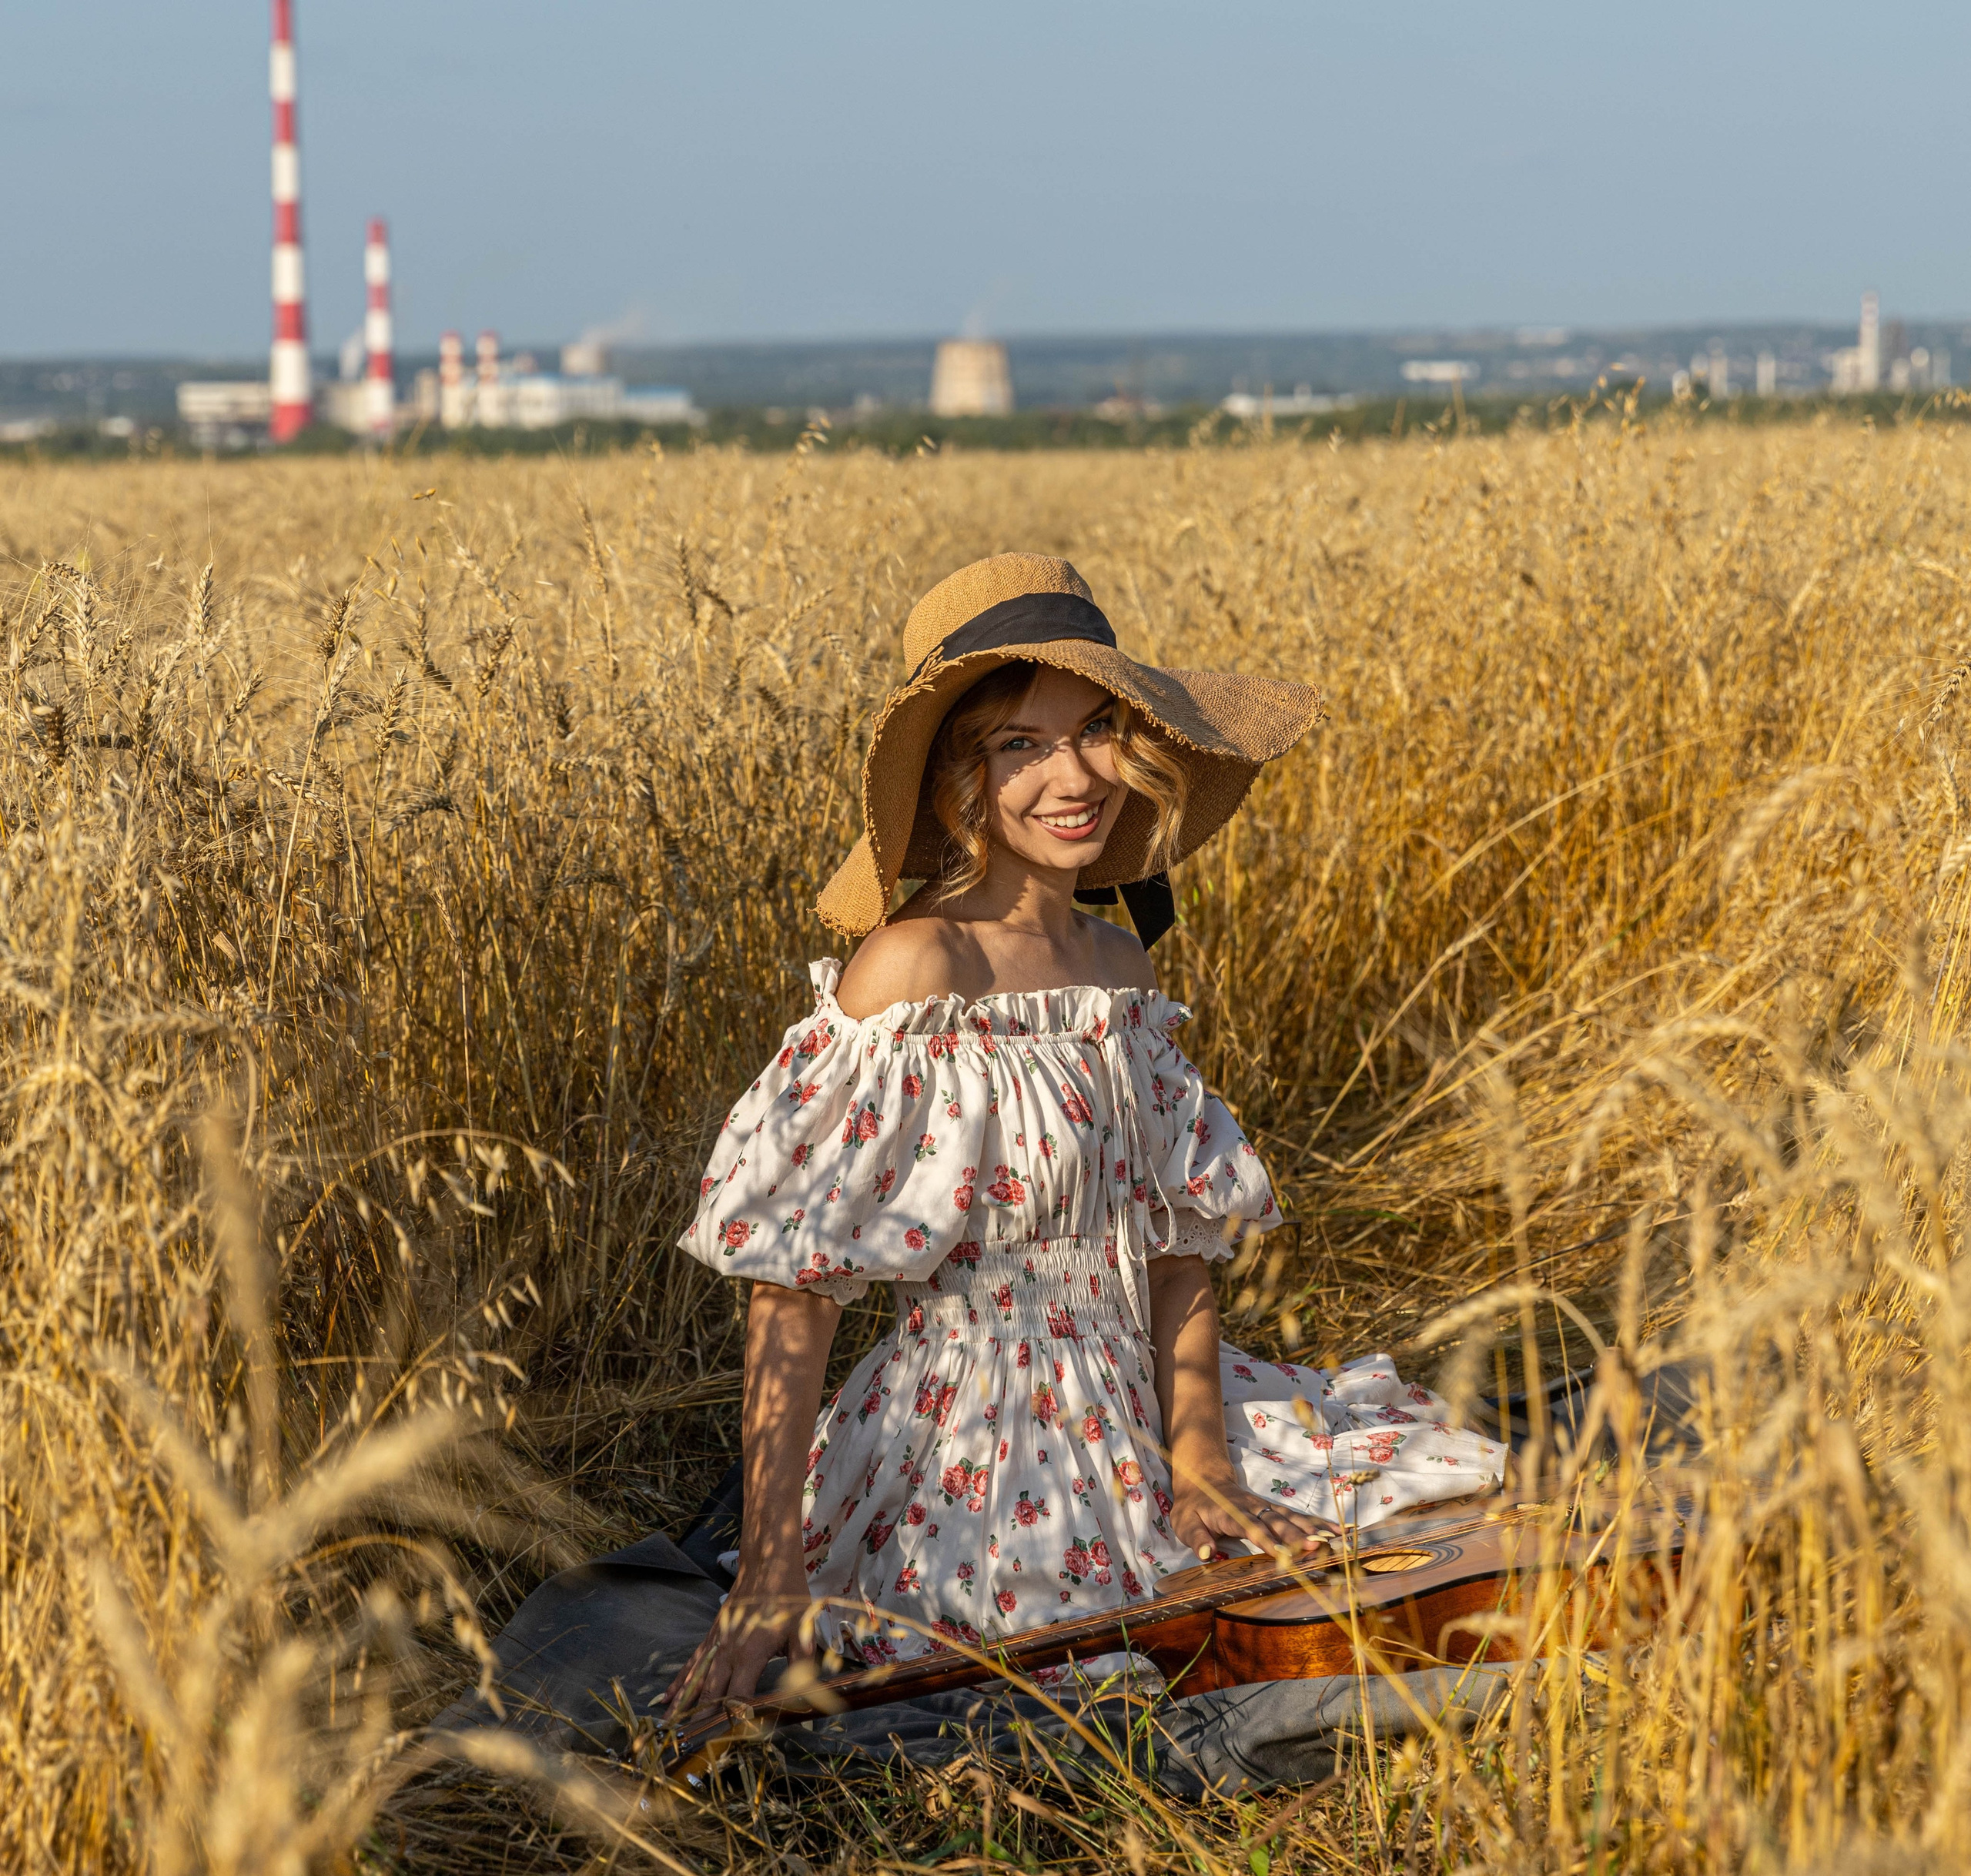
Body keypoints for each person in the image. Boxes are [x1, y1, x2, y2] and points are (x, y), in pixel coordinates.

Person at [661, 554, 1502, 1719]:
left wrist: (1200, 1450)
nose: (1075, 775)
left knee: (1397, 1525)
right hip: (983, 1428)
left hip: (1147, 1396)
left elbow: (1176, 1246)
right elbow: (793, 1292)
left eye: (1097, 730)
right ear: (962, 775)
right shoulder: (915, 971)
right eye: (1021, 745)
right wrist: (767, 1567)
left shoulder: (1120, 969)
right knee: (1082, 1650)